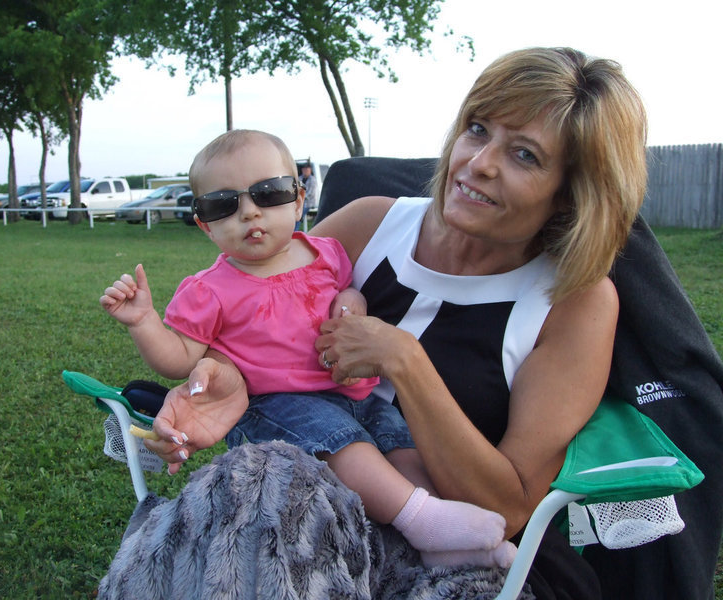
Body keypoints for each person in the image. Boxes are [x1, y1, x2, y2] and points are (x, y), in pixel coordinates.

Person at [144, 47, 648, 600]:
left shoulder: (572, 301)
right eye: (477, 129)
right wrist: (227, 376)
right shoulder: (370, 225)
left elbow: (508, 507)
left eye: (525, 155)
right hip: (310, 511)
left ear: (571, 192)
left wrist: (405, 361)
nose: (479, 162)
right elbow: (252, 316)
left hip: (471, 550)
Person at [100, 129, 516, 568]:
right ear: (205, 224)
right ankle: (423, 520)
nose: (249, 213)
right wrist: (144, 321)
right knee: (349, 450)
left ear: (299, 200)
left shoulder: (328, 253)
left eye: (269, 193)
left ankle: (443, 542)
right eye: (224, 204)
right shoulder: (208, 290)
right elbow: (178, 358)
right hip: (277, 406)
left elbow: (349, 294)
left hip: (353, 393)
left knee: (400, 443)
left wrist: (351, 306)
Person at [296, 160, 317, 230]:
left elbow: (310, 193)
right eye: (304, 169)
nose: (305, 171)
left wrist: (301, 197)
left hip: (308, 203)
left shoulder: (312, 180)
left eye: (307, 169)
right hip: (300, 201)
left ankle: (295, 231)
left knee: (299, 213)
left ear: (310, 170)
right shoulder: (300, 178)